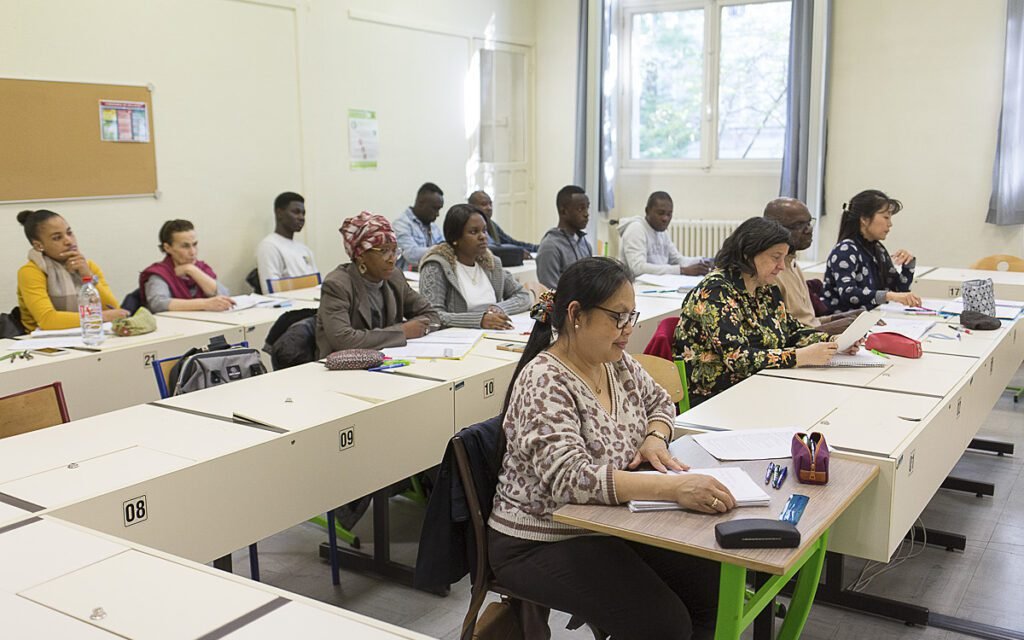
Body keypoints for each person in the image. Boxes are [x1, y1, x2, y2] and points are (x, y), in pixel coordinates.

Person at [489, 257, 736, 640]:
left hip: (609, 522)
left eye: (631, 316)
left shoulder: (614, 362)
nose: (627, 330)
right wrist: (673, 488)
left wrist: (655, 436)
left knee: (711, 584)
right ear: (576, 314)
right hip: (540, 536)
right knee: (662, 623)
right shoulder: (544, 379)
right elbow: (572, 480)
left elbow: (661, 402)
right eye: (617, 317)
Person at [675, 217, 850, 407]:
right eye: (776, 257)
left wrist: (832, 342)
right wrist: (800, 356)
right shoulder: (716, 292)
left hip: (760, 384)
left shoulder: (765, 289)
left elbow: (792, 331)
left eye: (784, 258)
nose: (782, 266)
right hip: (716, 397)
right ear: (747, 254)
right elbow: (738, 358)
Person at [315, 210, 439, 355]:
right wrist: (402, 331)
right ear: (361, 255)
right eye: (384, 251)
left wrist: (413, 329)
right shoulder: (337, 285)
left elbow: (431, 315)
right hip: (342, 369)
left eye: (394, 251)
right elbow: (343, 340)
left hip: (388, 361)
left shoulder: (395, 277)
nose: (391, 259)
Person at [418, 204, 531, 329]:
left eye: (484, 230)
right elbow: (432, 316)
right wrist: (479, 320)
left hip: (493, 334)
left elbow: (523, 296)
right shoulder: (436, 266)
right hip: (456, 341)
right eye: (474, 232)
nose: (483, 237)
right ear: (455, 238)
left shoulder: (491, 264)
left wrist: (499, 308)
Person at [15, 209, 128, 331]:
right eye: (57, 238)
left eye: (69, 233)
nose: (68, 241)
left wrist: (86, 276)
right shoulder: (31, 272)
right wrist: (101, 316)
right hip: (43, 344)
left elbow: (113, 308)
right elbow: (47, 320)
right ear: (38, 245)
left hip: (89, 334)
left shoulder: (87, 265)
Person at [763, 197, 862, 335]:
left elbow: (808, 321)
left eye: (809, 223)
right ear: (775, 227)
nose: (808, 230)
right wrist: (827, 330)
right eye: (799, 224)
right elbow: (778, 336)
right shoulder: (771, 273)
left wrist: (842, 318)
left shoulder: (793, 264)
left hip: (813, 340)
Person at [822, 189, 921, 312]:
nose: (890, 224)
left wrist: (908, 265)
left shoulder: (877, 249)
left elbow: (899, 290)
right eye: (886, 217)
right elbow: (848, 293)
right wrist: (889, 295)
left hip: (870, 319)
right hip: (846, 323)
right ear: (864, 219)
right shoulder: (845, 250)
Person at [139, 220, 234, 313]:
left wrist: (192, 270)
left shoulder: (201, 268)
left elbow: (224, 296)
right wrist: (204, 304)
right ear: (167, 248)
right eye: (185, 246)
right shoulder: (160, 273)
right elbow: (158, 303)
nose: (193, 252)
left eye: (195, 244)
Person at [618, 191, 711, 277]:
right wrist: (681, 270)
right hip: (637, 288)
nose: (665, 218)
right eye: (660, 213)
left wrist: (705, 261)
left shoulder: (662, 232)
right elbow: (638, 268)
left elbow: (677, 260)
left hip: (659, 284)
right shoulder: (636, 229)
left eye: (669, 214)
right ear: (647, 211)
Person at [255, 191, 318, 291]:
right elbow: (272, 291)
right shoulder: (269, 246)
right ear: (279, 213)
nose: (301, 218)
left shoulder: (304, 249)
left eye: (303, 213)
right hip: (293, 306)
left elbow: (317, 284)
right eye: (296, 212)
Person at [535, 185, 593, 288]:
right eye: (580, 209)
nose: (586, 214)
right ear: (563, 211)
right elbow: (549, 292)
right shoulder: (550, 247)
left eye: (587, 208)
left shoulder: (585, 244)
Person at [467, 190, 538, 255]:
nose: (489, 208)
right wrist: (516, 253)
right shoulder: (468, 227)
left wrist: (536, 248)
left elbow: (511, 242)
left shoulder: (492, 225)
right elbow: (488, 250)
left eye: (490, 204)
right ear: (472, 207)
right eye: (484, 204)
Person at [393, 182, 445, 270]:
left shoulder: (433, 227)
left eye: (439, 209)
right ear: (421, 203)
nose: (437, 214)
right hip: (408, 279)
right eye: (435, 208)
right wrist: (441, 250)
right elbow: (410, 255)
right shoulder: (401, 224)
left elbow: (444, 245)